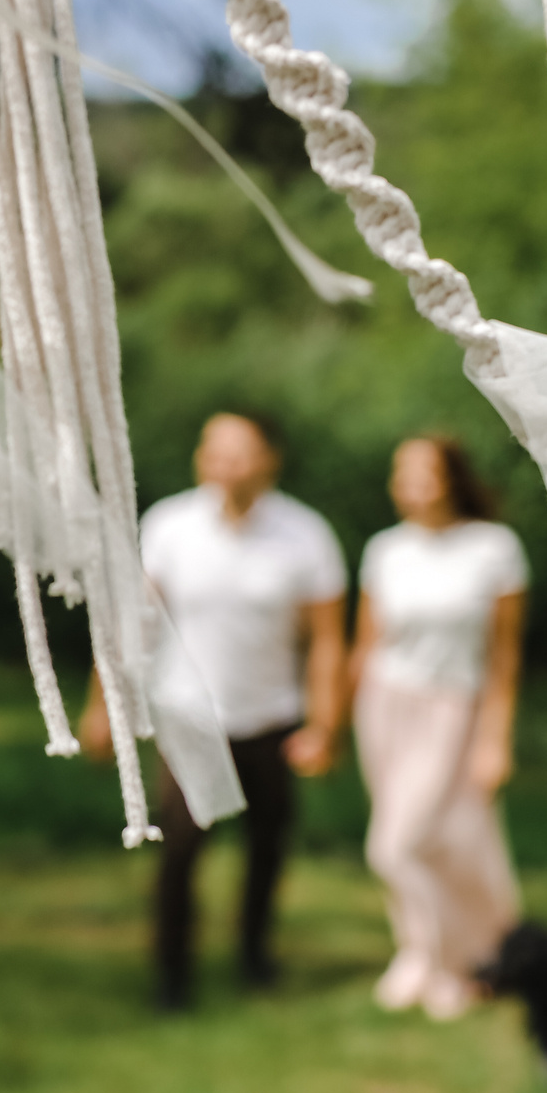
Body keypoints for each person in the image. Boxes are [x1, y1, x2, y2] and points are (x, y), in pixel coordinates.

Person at [80, 411, 347, 1010]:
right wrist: (105, 706)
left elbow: (328, 641)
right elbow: (132, 625)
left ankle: (255, 955)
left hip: (272, 715)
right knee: (179, 850)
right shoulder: (169, 525)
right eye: (212, 449)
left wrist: (324, 726)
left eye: (238, 451)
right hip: (189, 716)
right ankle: (171, 975)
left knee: (267, 845)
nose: (223, 462)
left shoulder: (306, 536)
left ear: (269, 459)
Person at [351, 434, 527, 1022]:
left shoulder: (494, 549)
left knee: (409, 845)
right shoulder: (384, 550)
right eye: (400, 472)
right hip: (385, 708)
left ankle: (460, 963)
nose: (408, 483)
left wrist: (496, 739)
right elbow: (365, 645)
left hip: (457, 709)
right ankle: (421, 954)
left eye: (421, 471)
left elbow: (504, 658)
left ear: (452, 477)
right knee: (411, 840)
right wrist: (328, 724)